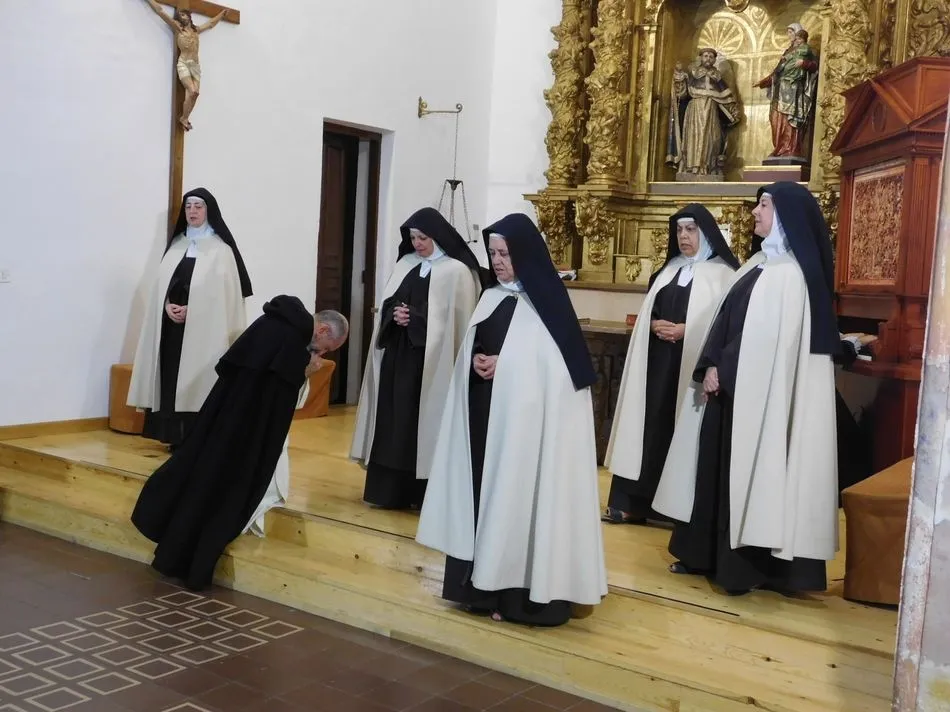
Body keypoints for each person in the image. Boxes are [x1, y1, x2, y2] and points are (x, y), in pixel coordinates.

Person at [416, 214, 607, 627]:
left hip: (526, 432)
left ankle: (520, 599)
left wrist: (507, 365)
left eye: (504, 253)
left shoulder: (548, 304)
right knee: (480, 495)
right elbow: (476, 345)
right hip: (484, 417)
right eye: (493, 253)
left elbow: (562, 374)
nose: (498, 261)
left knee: (516, 500)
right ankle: (476, 591)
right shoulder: (490, 296)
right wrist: (476, 361)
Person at [654, 182, 839, 596]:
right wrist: (711, 364)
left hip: (756, 397)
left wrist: (724, 369)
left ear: (785, 216)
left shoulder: (791, 276)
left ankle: (748, 568)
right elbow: (726, 322)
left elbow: (768, 342)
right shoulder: (757, 264)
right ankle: (705, 554)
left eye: (764, 205)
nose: (755, 211)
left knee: (753, 475)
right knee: (712, 469)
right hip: (729, 389)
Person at [131, 296, 348, 591]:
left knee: (200, 484)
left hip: (223, 421)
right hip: (241, 434)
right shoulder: (290, 338)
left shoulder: (274, 323)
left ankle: (175, 558)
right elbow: (273, 396)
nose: (321, 353)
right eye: (326, 348)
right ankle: (190, 563)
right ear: (322, 330)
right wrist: (304, 371)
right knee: (222, 493)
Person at [604, 204, 740, 525]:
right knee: (647, 429)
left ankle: (674, 510)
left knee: (679, 430)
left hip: (690, 369)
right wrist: (653, 324)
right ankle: (631, 503)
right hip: (656, 366)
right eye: (679, 230)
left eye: (691, 229)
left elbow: (725, 325)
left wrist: (685, 330)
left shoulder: (724, 275)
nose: (683, 236)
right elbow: (649, 312)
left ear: (706, 233)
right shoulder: (667, 271)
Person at [351, 208, 483, 510]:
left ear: (437, 236)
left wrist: (417, 319)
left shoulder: (456, 272)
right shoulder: (406, 265)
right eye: (413, 238)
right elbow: (388, 304)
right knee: (393, 425)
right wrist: (393, 314)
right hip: (398, 358)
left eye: (422, 237)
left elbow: (456, 324)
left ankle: (421, 494)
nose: (417, 244)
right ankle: (388, 493)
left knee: (421, 426)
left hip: (431, 364)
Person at [128, 188, 251, 449]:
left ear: (209, 211)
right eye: (188, 206)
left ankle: (198, 440)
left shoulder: (221, 251)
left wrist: (193, 310)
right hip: (172, 330)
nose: (192, 211)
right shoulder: (176, 246)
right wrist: (166, 306)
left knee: (198, 384)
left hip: (205, 334)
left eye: (198, 206)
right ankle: (173, 436)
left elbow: (222, 299)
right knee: (170, 378)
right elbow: (162, 287)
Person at [143, 0, 227, 130]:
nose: (183, 17)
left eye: (184, 14)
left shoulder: (196, 30)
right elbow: (160, 11)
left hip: (195, 66)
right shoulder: (178, 27)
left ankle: (184, 118)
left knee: (195, 93)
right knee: (192, 90)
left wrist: (221, 15)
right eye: (180, 15)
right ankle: (184, 119)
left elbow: (210, 24)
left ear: (189, 16)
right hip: (184, 64)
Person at [666, 48, 741, 178]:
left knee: (712, 138)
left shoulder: (717, 76)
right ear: (701, 58)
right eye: (706, 56)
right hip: (695, 108)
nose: (708, 59)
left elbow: (726, 95)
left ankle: (708, 166)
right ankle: (691, 166)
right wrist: (679, 76)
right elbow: (682, 93)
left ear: (714, 60)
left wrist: (733, 110)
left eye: (711, 57)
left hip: (711, 109)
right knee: (694, 136)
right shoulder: (693, 73)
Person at [756, 24, 819, 159]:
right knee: (775, 118)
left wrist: (804, 63)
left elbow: (815, 66)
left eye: (791, 32)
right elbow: (778, 71)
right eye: (788, 32)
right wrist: (766, 81)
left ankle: (791, 148)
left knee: (791, 118)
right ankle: (779, 148)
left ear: (798, 35)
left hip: (794, 89)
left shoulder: (806, 50)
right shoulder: (787, 52)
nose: (789, 35)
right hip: (780, 89)